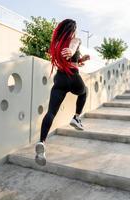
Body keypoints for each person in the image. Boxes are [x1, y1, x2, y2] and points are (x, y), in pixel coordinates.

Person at [35, 19, 90, 166]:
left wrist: (81, 59)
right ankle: (76, 118)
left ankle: (42, 141)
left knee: (51, 112)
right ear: (72, 30)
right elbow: (72, 47)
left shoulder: (56, 43)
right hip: (72, 77)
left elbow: (69, 60)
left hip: (60, 79)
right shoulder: (74, 40)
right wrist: (72, 50)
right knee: (84, 92)